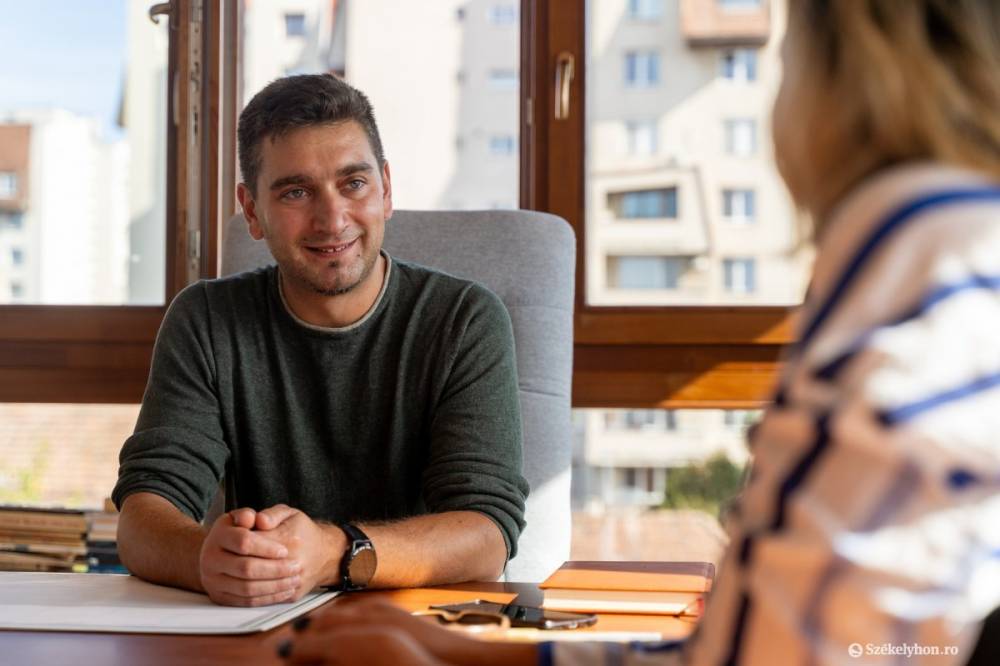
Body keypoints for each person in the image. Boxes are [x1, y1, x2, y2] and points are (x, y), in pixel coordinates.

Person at [280, 0, 1000, 663]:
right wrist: (461, 654)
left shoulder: (917, 249)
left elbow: (783, 651)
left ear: (850, 75)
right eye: (293, 192)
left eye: (783, 61)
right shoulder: (951, 244)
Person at [112, 74, 529, 607]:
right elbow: (143, 516)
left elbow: (487, 535)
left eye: (353, 184)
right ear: (252, 211)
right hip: (257, 634)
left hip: (419, 631)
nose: (332, 219)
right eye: (296, 191)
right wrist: (203, 558)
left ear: (386, 189)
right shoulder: (206, 320)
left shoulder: (464, 320)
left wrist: (332, 553)